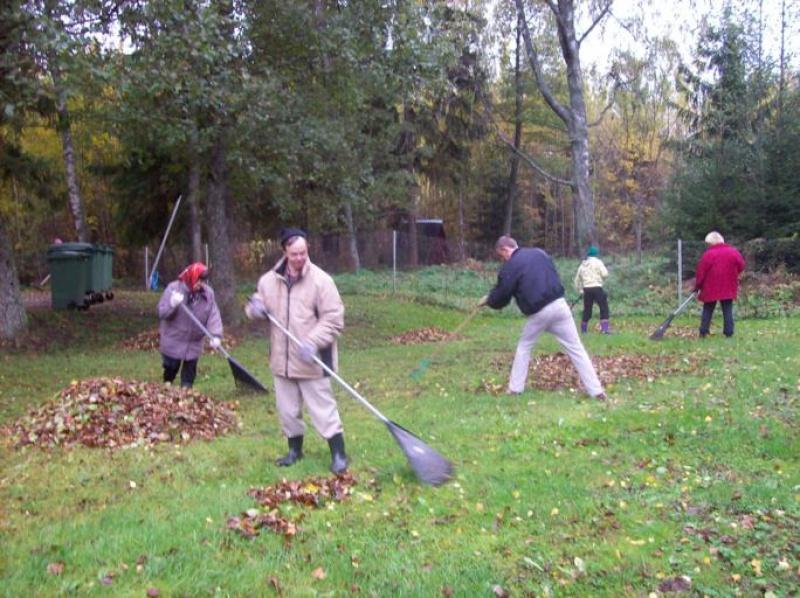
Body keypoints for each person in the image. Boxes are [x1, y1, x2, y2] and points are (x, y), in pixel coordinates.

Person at [244, 228, 348, 474]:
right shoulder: (268, 281)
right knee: (288, 411)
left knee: (323, 410)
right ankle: (294, 450)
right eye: (295, 254)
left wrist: (312, 342)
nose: (300, 258)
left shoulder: (322, 281)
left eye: (303, 252)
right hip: (282, 360)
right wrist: (254, 308)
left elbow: (334, 320)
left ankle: (339, 454)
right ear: (284, 252)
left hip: (313, 360)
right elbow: (255, 305)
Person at [478, 236, 606, 400]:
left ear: (505, 249)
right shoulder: (539, 253)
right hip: (560, 305)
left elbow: (503, 294)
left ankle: (515, 389)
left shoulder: (511, 266)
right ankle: (597, 391)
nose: (503, 260)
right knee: (576, 348)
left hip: (539, 311)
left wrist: (489, 300)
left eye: (501, 256)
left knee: (524, 346)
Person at [157, 262, 223, 389]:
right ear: (192, 276)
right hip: (174, 338)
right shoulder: (173, 289)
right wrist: (172, 304)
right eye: (199, 280)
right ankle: (167, 385)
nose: (201, 284)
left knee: (189, 371)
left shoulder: (208, 294)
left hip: (194, 341)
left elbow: (213, 314)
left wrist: (216, 335)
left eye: (203, 281)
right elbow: (162, 312)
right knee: (171, 367)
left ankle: (186, 391)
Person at [694, 231, 745, 338]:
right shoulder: (733, 252)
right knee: (727, 309)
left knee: (708, 308)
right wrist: (733, 274)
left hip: (710, 286)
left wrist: (697, 286)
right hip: (728, 285)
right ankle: (729, 332)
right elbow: (741, 265)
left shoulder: (708, 254)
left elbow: (701, 272)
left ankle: (703, 331)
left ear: (711, 243)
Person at [574, 245, 611, 334]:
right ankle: (605, 329)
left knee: (587, 309)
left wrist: (580, 290)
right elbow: (605, 274)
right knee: (604, 307)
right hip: (597, 287)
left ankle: (583, 330)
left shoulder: (582, 265)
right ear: (596, 254)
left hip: (587, 289)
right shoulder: (598, 262)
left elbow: (577, 280)